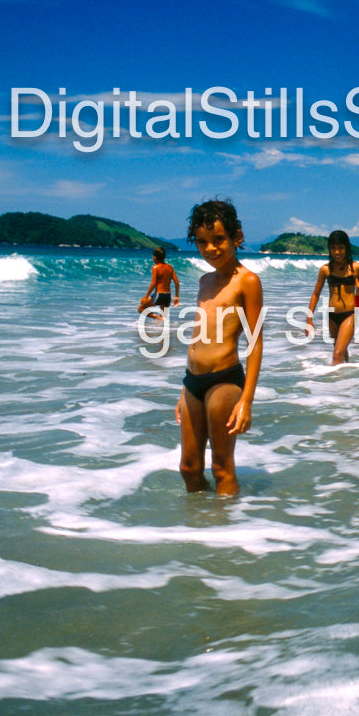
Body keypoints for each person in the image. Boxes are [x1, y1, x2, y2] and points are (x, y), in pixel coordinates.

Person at [175, 200, 263, 496]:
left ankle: (227, 534)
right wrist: (183, 390)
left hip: (224, 380)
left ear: (236, 237)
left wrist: (247, 400)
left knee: (221, 466)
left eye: (218, 240)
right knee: (189, 468)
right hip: (192, 382)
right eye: (201, 242)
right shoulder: (204, 281)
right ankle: (200, 530)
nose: (210, 249)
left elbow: (255, 342)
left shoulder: (247, 281)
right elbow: (199, 336)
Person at [306, 230, 359, 365]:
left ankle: (334, 383)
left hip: (349, 315)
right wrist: (309, 319)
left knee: (337, 354)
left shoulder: (355, 268)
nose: (337, 252)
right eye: (333, 248)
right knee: (341, 351)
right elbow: (316, 294)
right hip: (332, 316)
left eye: (341, 248)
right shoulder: (325, 269)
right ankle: (346, 381)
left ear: (347, 248)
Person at [139, 247, 180, 313]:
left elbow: (153, 283)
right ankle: (159, 321)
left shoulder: (155, 267)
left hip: (159, 294)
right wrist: (177, 296)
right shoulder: (170, 267)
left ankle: (158, 318)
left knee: (141, 308)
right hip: (167, 296)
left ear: (154, 257)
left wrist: (146, 296)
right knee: (164, 318)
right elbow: (177, 283)